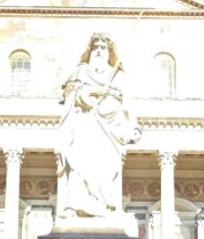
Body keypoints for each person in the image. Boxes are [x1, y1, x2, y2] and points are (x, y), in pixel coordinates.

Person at [57, 32, 141, 219]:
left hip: (109, 130)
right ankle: (74, 206)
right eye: (96, 47)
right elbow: (68, 94)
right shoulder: (81, 71)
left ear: (109, 52)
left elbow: (127, 104)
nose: (99, 51)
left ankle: (103, 207)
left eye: (103, 48)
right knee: (79, 164)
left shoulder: (118, 75)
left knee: (105, 168)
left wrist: (132, 126)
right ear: (90, 50)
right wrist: (90, 92)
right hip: (84, 124)